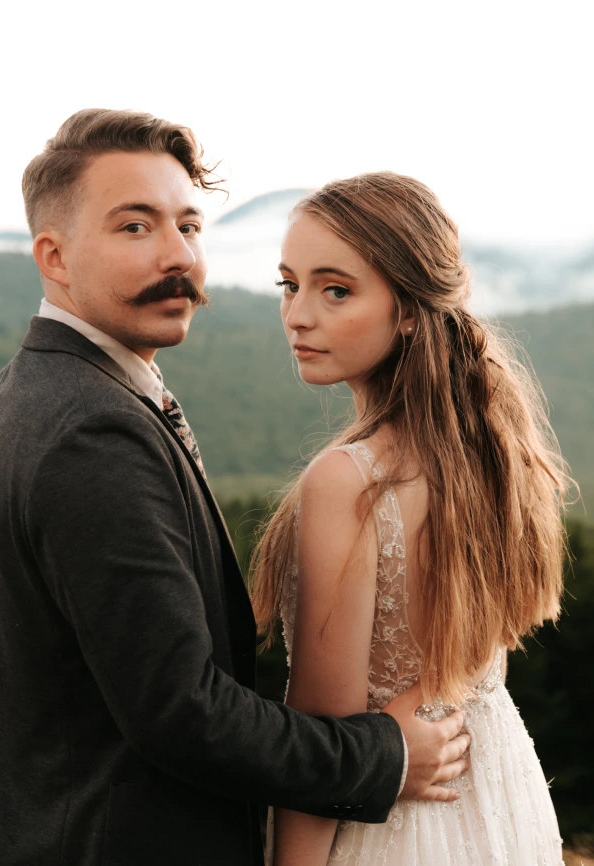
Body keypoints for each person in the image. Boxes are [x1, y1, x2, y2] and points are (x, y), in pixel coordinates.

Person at [0, 112, 470, 866]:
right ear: (53, 257)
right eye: (135, 227)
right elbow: (181, 712)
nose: (178, 256)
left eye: (189, 226)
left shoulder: (32, 388)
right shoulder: (91, 428)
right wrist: (381, 757)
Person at [252, 172, 569, 866]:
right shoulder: (493, 453)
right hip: (502, 808)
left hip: (395, 823)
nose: (298, 314)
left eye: (335, 290)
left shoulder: (350, 482)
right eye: (289, 284)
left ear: (407, 310)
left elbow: (322, 741)